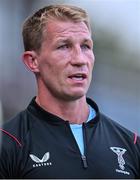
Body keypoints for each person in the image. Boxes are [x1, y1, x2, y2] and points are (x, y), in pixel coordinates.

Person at [0, 4, 139, 179]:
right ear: (32, 61)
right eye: (64, 46)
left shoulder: (131, 144)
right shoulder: (8, 144)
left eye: (86, 46)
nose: (80, 59)